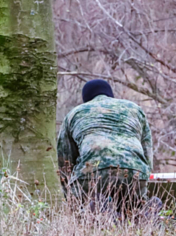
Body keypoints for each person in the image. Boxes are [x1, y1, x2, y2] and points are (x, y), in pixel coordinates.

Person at [57, 79, 153, 215]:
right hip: (135, 172)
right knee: (133, 210)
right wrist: (143, 177)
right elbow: (147, 152)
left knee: (83, 212)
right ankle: (146, 213)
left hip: (93, 174)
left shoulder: (75, 113)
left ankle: (97, 211)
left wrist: (71, 198)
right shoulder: (134, 109)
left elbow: (65, 161)